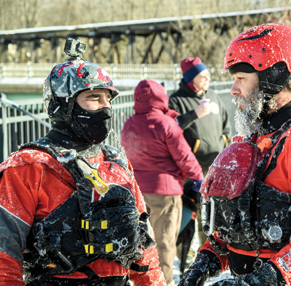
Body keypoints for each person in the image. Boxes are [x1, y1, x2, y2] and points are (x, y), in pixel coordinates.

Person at [178, 23, 291, 286]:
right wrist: (207, 261)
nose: (233, 89)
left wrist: (265, 278)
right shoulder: (252, 137)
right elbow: (237, 222)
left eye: (241, 79)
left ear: (273, 77)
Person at [0, 38, 165, 286]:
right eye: (94, 97)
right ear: (63, 105)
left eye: (108, 99)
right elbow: (4, 256)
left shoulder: (116, 163)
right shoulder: (27, 166)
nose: (106, 108)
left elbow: (144, 249)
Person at [121, 79, 204, 286]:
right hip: (165, 193)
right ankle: (163, 282)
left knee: (139, 243)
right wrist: (199, 178)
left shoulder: (129, 123)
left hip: (137, 192)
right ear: (161, 97)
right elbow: (185, 157)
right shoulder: (166, 123)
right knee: (164, 244)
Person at [169, 57, 232, 249]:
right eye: (202, 75)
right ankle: (182, 253)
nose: (207, 79)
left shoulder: (213, 95)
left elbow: (226, 124)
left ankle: (210, 250)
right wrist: (195, 114)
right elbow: (172, 128)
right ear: (191, 78)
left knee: (212, 210)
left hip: (216, 164)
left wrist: (225, 144)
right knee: (190, 210)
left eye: (208, 75)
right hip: (191, 167)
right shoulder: (176, 99)